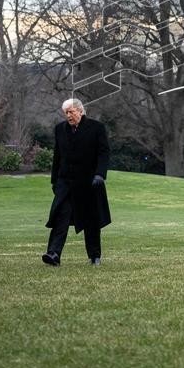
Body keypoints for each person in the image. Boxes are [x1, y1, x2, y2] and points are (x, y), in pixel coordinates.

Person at [42, 98, 112, 266]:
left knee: (91, 220)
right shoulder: (60, 129)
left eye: (71, 112)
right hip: (66, 184)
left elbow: (104, 153)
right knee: (60, 217)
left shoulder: (96, 128)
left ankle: (95, 256)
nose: (68, 115)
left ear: (80, 111)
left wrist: (100, 174)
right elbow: (57, 156)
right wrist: (54, 181)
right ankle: (54, 254)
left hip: (89, 183)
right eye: (66, 112)